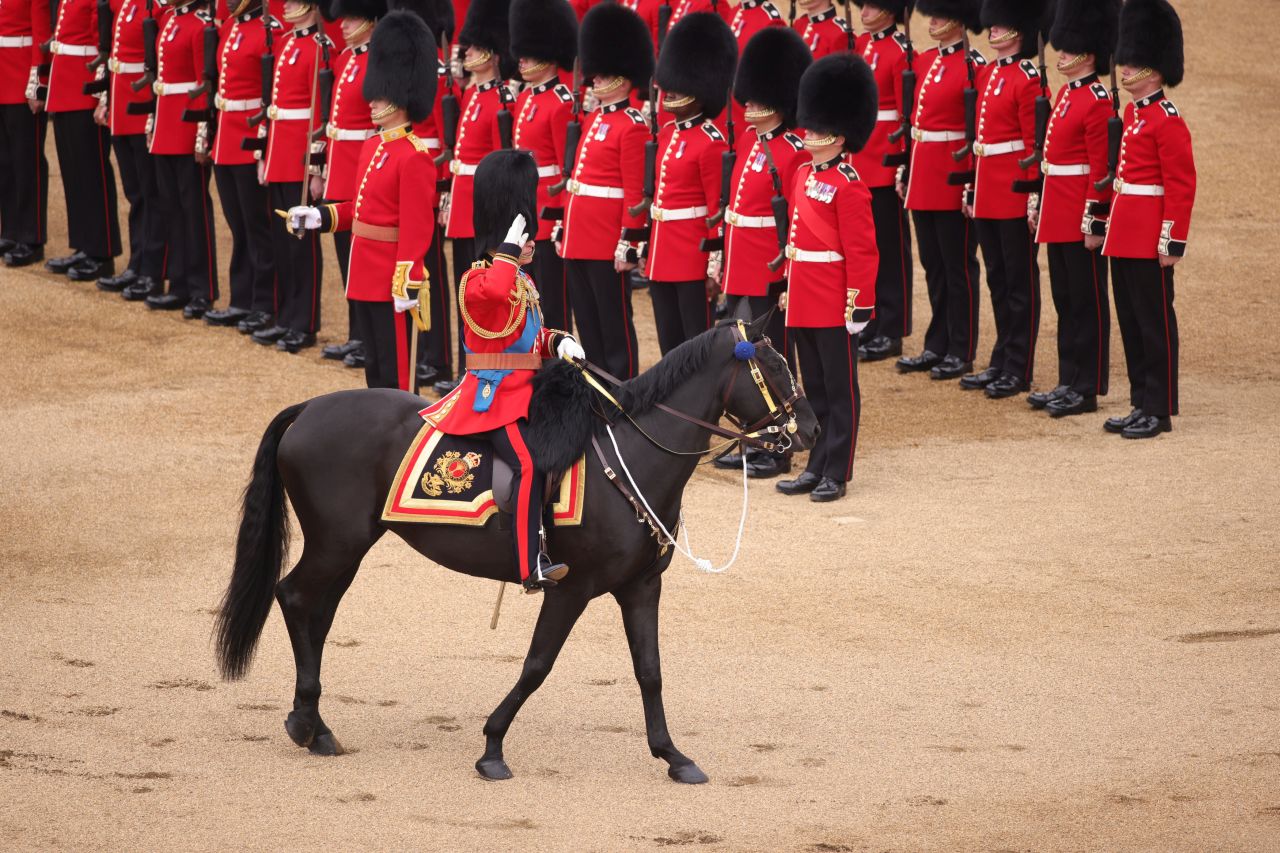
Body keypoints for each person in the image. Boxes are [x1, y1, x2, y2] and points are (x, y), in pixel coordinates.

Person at [421, 149, 585, 591]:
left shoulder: (523, 280)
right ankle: (528, 565)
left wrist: (558, 340)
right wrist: (508, 250)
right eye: (523, 236)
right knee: (529, 466)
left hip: (528, 390)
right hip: (492, 397)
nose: (532, 241)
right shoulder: (476, 279)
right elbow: (495, 294)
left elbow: (527, 333)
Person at [288, 8, 437, 390]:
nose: (370, 101)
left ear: (400, 98)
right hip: (365, 275)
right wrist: (319, 217)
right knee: (375, 370)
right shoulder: (373, 146)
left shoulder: (415, 155)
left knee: (398, 377)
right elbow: (358, 209)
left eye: (379, 96)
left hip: (391, 278)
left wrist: (407, 278)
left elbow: (417, 229)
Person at [776, 53, 878, 503]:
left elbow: (861, 251)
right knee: (812, 388)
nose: (809, 133)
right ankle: (815, 463)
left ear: (839, 137)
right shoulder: (801, 174)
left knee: (840, 389)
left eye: (817, 129)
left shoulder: (850, 183)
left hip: (834, 300)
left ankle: (837, 469)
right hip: (803, 296)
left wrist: (858, 304)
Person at [714, 25, 809, 480]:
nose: (746, 105)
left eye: (755, 100)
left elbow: (794, 223)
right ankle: (754, 438)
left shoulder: (789, 152)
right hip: (741, 268)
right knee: (744, 364)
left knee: (771, 364)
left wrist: (787, 275)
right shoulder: (752, 145)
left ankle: (781, 446)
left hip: (767, 271)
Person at [1101, 0, 1194, 439]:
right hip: (1123, 232)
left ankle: (1159, 408)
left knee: (1154, 323)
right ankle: (1141, 400)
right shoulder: (1131, 115)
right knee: (1132, 321)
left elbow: (1180, 186)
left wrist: (1171, 241)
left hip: (1148, 236)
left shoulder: (1166, 121)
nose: (1125, 68)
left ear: (1155, 70)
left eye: (1135, 62)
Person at [1028, 0, 1118, 417]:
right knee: (1066, 300)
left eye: (1068, 49)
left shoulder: (1097, 100)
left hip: (1080, 214)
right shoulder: (1067, 94)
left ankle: (1087, 386)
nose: (1060, 54)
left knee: (1087, 302)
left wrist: (1095, 218)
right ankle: (1068, 378)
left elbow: (1099, 170)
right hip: (1058, 212)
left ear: (1089, 53)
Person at [557, 2, 651, 380]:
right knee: (588, 323)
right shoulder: (594, 118)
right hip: (580, 235)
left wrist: (629, 240)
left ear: (624, 79)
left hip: (606, 239)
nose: (593, 79)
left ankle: (623, 388)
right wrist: (564, 225)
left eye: (603, 74)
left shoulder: (632, 125)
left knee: (614, 325)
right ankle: (596, 387)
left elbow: (634, 193)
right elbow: (576, 179)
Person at [957, 0, 1045, 398]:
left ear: (1020, 31)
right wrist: (973, 187)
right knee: (997, 279)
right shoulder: (990, 73)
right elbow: (981, 144)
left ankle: (1019, 366)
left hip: (1012, 193)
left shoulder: (1029, 78)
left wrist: (1031, 197)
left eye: (1000, 25)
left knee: (1018, 283)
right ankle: (1001, 358)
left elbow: (1032, 145)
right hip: (989, 191)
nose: (991, 30)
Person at [895, 0, 984, 381]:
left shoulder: (973, 65)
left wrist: (971, 183)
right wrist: (908, 168)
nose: (933, 20)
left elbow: (977, 131)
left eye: (941, 13)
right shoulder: (928, 60)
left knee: (958, 266)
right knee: (933, 264)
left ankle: (961, 349)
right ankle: (938, 342)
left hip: (952, 175)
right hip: (925, 175)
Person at [435, 0, 513, 394]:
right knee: (463, 291)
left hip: (482, 211)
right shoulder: (471, 95)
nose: (465, 53)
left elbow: (501, 166)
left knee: (483, 297)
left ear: (492, 54)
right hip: (462, 208)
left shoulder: (500, 98)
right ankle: (465, 366)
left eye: (473, 48)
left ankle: (482, 368)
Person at [644, 12, 733, 355]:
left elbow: (716, 208)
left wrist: (714, 266)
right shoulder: (667, 133)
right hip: (663, 251)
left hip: (692, 254)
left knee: (696, 346)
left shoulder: (711, 141)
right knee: (669, 345)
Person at [252, 0, 333, 352]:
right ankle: (286, 315)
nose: (287, 7)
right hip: (280, 153)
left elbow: (321, 115)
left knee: (301, 245)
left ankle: (305, 322)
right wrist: (265, 156)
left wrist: (316, 169)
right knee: (282, 241)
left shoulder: (320, 48)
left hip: (301, 156)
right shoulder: (285, 42)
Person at [204, 0, 282, 329]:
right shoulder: (229, 27)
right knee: (237, 224)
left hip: (250, 137)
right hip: (226, 137)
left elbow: (273, 94)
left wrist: (265, 143)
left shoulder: (270, 32)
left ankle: (265, 303)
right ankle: (241, 297)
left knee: (257, 225)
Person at [316, 0, 386, 366]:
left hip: (363, 164)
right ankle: (356, 332)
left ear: (372, 19)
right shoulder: (345, 58)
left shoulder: (378, 58)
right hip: (340, 165)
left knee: (364, 258)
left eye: (353, 17)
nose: (343, 24)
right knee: (347, 257)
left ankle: (366, 335)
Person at [389, 0, 454, 384]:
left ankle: (439, 357)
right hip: (403, 176)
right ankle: (422, 349)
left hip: (427, 179)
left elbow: (447, 142)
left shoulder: (441, 77)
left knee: (432, 270)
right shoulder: (404, 72)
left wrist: (442, 191)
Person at [143, 0, 219, 317]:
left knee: (194, 212)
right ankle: (179, 283)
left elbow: (204, 85)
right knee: (171, 209)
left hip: (187, 128)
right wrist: (153, 123)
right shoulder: (170, 21)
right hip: (166, 126)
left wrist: (202, 134)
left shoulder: (201, 27)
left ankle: (203, 289)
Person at [92, 0, 168, 299]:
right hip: (122, 108)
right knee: (135, 194)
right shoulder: (125, 4)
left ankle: (154, 270)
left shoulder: (157, 7)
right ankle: (137, 263)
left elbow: (160, 64)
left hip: (142, 108)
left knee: (152, 197)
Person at [508, 0, 577, 333]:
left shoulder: (561, 103)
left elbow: (567, 170)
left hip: (548, 211)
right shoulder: (525, 98)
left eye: (529, 53)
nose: (520, 59)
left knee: (554, 299)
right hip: (526, 206)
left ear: (548, 55)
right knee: (526, 292)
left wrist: (559, 217)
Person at [850, 0, 912, 362]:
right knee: (867, 250)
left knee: (891, 251)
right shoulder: (862, 45)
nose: (866, 11)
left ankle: (893, 327)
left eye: (874, 6)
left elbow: (905, 114)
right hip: (861, 160)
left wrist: (902, 164)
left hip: (885, 162)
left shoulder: (900, 50)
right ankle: (871, 322)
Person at [45, 0, 124, 281]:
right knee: (73, 173)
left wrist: (101, 95)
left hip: (83, 85)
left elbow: (103, 45)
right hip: (65, 85)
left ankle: (102, 252)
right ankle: (84, 244)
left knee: (93, 173)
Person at [0, 0, 51, 268]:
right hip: (2, 77)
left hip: (21, 78)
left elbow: (41, 33)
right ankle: (10, 229)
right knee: (5, 162)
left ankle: (32, 237)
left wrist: (39, 81)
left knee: (26, 161)